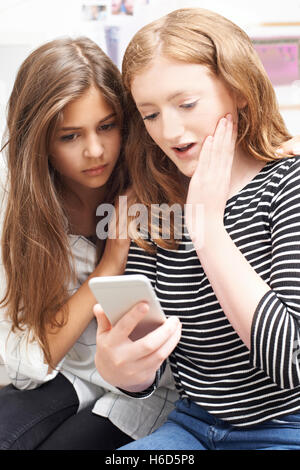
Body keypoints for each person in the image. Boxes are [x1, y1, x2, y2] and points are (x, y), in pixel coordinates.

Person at [94, 8, 300, 450]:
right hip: (190, 426)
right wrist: (123, 371)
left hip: (286, 428)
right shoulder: (151, 208)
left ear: (240, 92)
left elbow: (292, 361)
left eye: (186, 104)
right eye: (149, 115)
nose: (169, 130)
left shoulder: (288, 185)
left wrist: (207, 225)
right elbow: (147, 368)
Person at [0, 36, 178, 450]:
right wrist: (109, 265)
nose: (95, 151)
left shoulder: (157, 189)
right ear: (39, 141)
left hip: (145, 392)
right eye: (69, 137)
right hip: (70, 376)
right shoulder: (20, 209)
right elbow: (27, 364)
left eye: (107, 126)